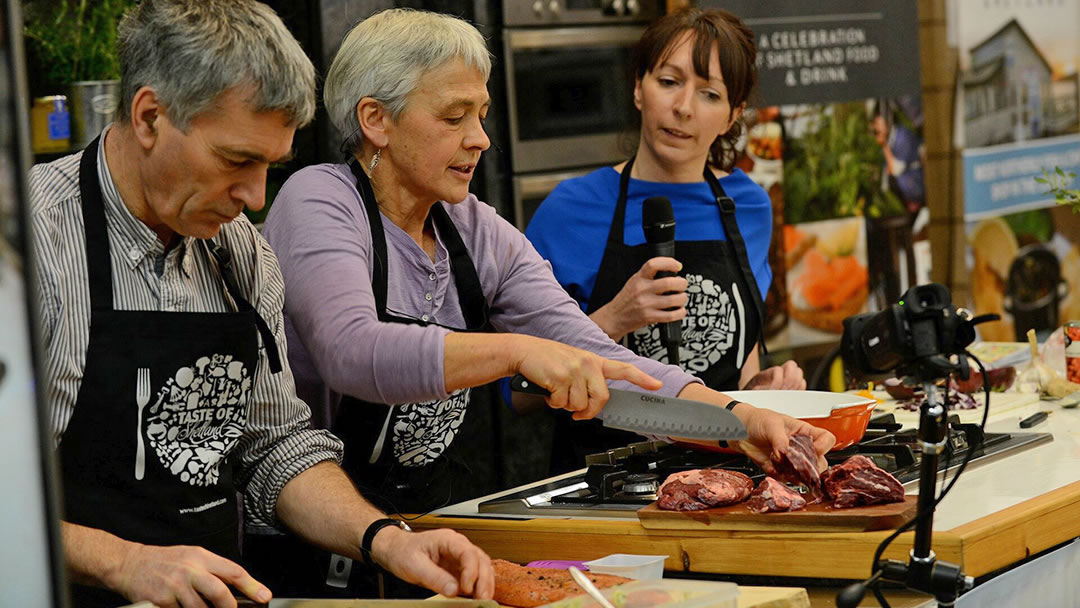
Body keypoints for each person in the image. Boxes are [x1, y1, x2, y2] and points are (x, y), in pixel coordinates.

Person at [263, 8, 834, 577]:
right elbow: (350, 351)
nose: (481, 139)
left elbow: (601, 358)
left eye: (482, 115)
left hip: (427, 528)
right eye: (455, 116)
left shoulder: (471, 227)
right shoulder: (319, 199)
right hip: (309, 544)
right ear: (376, 120)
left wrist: (741, 420)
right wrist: (515, 350)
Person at [28, 2, 493, 606]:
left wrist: (384, 538)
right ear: (149, 117)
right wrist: (124, 562)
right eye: (236, 160)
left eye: (271, 166)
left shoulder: (240, 253)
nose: (253, 199)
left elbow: (274, 445)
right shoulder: (31, 244)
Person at [525, 8, 807, 465]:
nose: (684, 108)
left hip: (730, 477)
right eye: (669, 81)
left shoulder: (748, 206)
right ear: (639, 88)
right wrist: (616, 317)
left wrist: (756, 393)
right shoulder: (570, 210)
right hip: (606, 487)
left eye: (710, 93)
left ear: (733, 115)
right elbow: (516, 391)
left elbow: (742, 352)